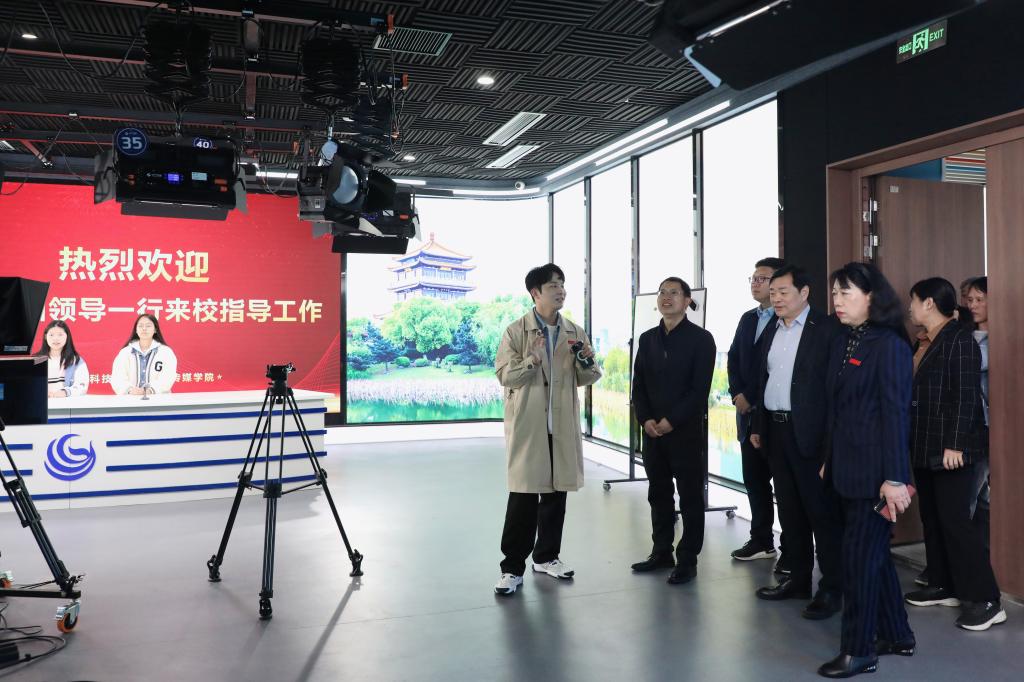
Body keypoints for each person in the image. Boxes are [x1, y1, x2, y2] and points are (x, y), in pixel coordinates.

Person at [817, 263, 915, 679]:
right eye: (835, 293)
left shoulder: (888, 345)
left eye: (846, 293)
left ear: (871, 297)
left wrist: (895, 478)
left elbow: (896, 416)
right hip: (847, 469)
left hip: (877, 476)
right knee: (872, 556)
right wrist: (830, 457)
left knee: (858, 561)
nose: (837, 301)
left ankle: (858, 651)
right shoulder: (845, 339)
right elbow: (840, 409)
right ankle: (896, 634)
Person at [903, 278, 1005, 631]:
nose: (910, 308)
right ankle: (943, 583)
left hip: (951, 448)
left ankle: (986, 599)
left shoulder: (959, 339)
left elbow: (965, 396)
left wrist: (956, 444)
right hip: (924, 443)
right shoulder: (927, 340)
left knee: (956, 522)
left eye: (914, 301)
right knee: (932, 517)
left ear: (929, 303)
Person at [493, 263, 601, 596]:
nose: (561, 290)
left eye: (562, 284)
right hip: (530, 425)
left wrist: (586, 360)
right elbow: (506, 376)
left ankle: (546, 557)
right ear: (535, 293)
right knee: (523, 498)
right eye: (553, 285)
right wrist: (533, 359)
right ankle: (512, 568)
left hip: (561, 425)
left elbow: (588, 377)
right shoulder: (516, 332)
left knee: (556, 495)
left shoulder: (574, 331)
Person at [751, 264, 844, 620]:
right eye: (773, 292)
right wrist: (759, 424)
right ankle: (798, 579)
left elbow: (835, 391)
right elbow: (763, 380)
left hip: (812, 435)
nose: (775, 298)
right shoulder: (772, 329)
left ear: (804, 293)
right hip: (776, 432)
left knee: (822, 515)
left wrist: (830, 445)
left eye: (783, 292)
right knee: (790, 512)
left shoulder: (827, 329)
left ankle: (832, 588)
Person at [630, 277, 716, 585]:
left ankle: (688, 559)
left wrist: (671, 420)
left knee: (690, 497)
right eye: (662, 292)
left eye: (674, 292)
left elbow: (699, 390)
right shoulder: (647, 339)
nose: (666, 297)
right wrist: (646, 420)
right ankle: (661, 551)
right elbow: (638, 385)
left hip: (685, 433)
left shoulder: (701, 339)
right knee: (658, 494)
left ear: (687, 300)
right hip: (653, 433)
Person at [727, 257, 787, 567]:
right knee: (754, 480)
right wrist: (737, 393)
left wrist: (750, 395)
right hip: (746, 414)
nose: (755, 283)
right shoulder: (748, 318)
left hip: (774, 415)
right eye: (753, 278)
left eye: (762, 278)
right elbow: (734, 359)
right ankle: (762, 539)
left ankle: (792, 547)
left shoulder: (786, 319)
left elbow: (774, 368)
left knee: (785, 486)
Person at [965, 276, 990, 548]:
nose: (972, 305)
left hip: (991, 426)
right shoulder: (966, 335)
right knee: (977, 493)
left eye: (979, 300)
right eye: (969, 300)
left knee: (978, 491)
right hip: (972, 426)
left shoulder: (999, 336)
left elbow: (977, 363)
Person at [110, 314, 178, 395]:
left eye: (148, 326)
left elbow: (168, 377)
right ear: (136, 330)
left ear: (155, 330)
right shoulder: (125, 352)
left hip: (159, 399)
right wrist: (130, 390)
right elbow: (117, 377)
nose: (144, 329)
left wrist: (150, 390)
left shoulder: (166, 352)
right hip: (130, 399)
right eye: (140, 326)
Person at [35, 320, 89, 398]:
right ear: (45, 337)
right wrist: (41, 391)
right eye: (51, 335)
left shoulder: (75, 360)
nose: (55, 338)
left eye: (60, 334)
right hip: (40, 402)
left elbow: (82, 386)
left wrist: (66, 392)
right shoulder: (35, 360)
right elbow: (27, 385)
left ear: (67, 336)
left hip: (66, 403)